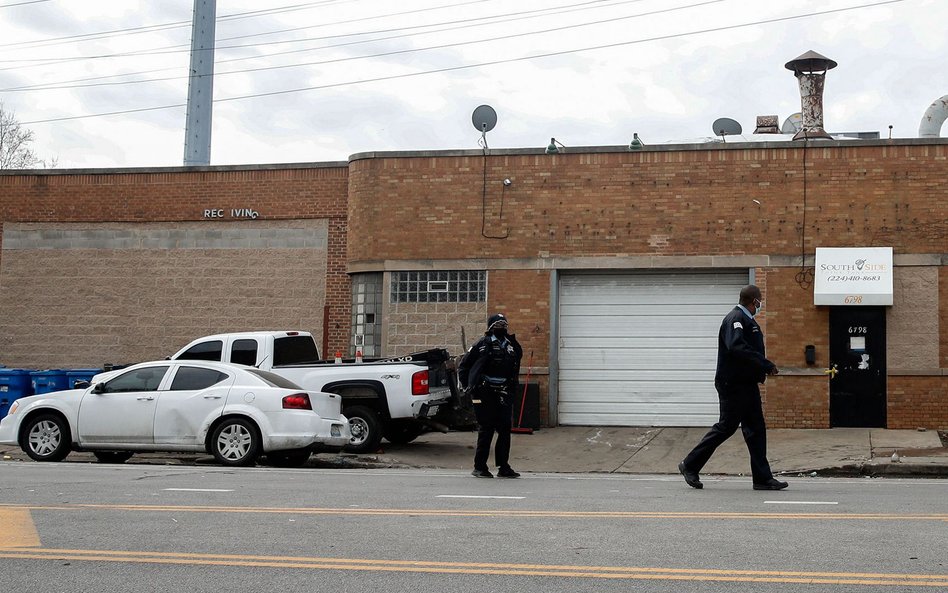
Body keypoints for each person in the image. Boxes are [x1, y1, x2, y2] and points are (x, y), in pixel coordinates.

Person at [678, 285, 789, 491]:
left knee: (756, 429)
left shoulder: (747, 320)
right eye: (760, 300)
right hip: (733, 384)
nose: (761, 304)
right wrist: (765, 364)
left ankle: (762, 479)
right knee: (726, 427)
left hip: (747, 384)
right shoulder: (736, 319)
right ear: (753, 301)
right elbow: (736, 347)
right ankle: (690, 464)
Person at [458, 313, 523, 478]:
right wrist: (467, 386)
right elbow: (464, 366)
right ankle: (480, 467)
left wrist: (512, 387)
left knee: (505, 429)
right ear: (491, 328)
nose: (501, 328)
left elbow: (515, 367)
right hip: (483, 391)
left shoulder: (511, 345)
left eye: (504, 325)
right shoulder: (482, 344)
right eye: (498, 325)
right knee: (486, 428)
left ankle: (504, 467)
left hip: (504, 391)